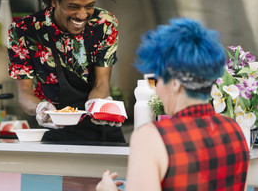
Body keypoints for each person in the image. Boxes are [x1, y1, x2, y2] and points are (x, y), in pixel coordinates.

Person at [96, 17, 249, 190]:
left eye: (157, 79)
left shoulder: (151, 138)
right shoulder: (235, 131)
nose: (157, 89)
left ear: (175, 82)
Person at [7, 0, 125, 143]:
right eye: (73, 6)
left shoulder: (104, 23)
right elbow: (25, 94)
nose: (82, 15)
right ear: (54, 0)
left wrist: (98, 104)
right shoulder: (24, 31)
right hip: (55, 132)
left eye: (89, 5)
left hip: (102, 134)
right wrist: (41, 109)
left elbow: (101, 84)